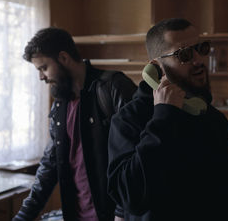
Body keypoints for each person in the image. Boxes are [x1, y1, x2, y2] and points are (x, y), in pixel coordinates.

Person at [107, 18, 228, 221]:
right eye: (184, 54)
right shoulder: (129, 119)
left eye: (201, 48)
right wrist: (162, 119)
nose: (199, 61)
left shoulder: (212, 118)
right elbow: (130, 197)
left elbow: (226, 201)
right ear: (155, 67)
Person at [13, 27, 137, 221]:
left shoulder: (113, 87)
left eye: (43, 68)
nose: (41, 77)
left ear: (63, 58)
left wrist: (121, 213)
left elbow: (138, 156)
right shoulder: (60, 106)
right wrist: (23, 217)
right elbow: (49, 165)